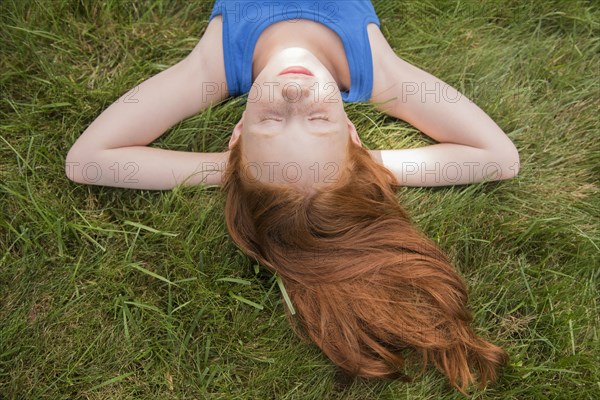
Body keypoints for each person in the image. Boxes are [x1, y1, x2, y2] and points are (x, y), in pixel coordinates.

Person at [66, 0, 518, 393]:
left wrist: (244, 172)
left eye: (271, 122)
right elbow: (498, 157)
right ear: (352, 133)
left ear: (237, 133)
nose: (294, 93)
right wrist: (352, 170)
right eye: (320, 120)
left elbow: (87, 160)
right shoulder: (380, 74)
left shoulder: (211, 70)